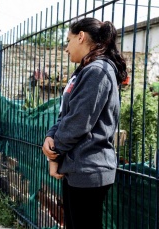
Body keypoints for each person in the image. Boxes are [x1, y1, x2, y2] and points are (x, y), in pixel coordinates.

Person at [42, 17, 127, 229]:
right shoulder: (83, 70)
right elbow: (65, 113)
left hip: (90, 169)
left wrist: (54, 153)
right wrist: (50, 138)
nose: (66, 48)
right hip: (77, 166)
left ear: (81, 37)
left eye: (68, 40)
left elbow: (79, 122)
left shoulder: (97, 71)